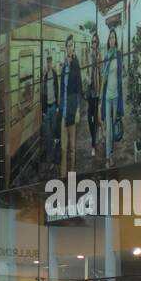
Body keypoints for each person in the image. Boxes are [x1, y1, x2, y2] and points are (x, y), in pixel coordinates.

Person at [59, 34, 82, 176]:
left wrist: (78, 109)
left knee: (72, 148)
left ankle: (72, 176)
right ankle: (62, 178)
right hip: (63, 112)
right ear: (66, 48)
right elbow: (62, 90)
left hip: (72, 111)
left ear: (74, 48)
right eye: (68, 45)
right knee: (63, 149)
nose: (70, 47)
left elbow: (79, 88)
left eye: (72, 45)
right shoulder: (63, 68)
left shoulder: (76, 65)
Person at [101, 27, 124, 163]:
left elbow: (121, 74)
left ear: (116, 40)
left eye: (113, 37)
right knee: (108, 128)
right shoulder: (106, 56)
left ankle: (111, 151)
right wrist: (100, 99)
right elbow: (104, 77)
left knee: (115, 126)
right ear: (108, 40)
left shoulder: (119, 55)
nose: (112, 39)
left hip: (116, 97)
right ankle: (108, 157)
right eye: (110, 37)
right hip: (108, 97)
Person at [41, 52, 60, 170]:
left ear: (52, 63)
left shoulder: (54, 74)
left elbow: (56, 89)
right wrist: (43, 110)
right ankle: (49, 158)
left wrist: (57, 106)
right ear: (46, 63)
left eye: (50, 62)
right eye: (47, 62)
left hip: (53, 107)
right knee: (48, 135)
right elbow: (43, 94)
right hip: (47, 109)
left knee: (53, 133)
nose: (49, 64)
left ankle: (53, 160)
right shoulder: (44, 77)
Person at [85, 32, 102, 150]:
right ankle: (93, 138)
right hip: (89, 91)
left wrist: (100, 92)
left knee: (96, 117)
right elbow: (85, 72)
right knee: (89, 117)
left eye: (95, 42)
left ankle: (93, 144)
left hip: (96, 91)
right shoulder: (88, 55)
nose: (93, 44)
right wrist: (87, 79)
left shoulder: (99, 56)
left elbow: (101, 74)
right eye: (92, 42)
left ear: (98, 43)